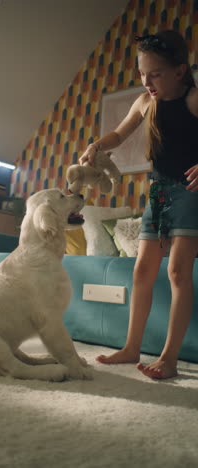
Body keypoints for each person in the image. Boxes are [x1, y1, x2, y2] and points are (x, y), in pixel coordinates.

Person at [79, 30, 198, 379]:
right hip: (158, 192)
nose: (146, 81)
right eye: (142, 73)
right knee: (142, 270)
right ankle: (132, 348)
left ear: (179, 71)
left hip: (190, 194)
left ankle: (169, 357)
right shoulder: (146, 102)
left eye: (155, 74)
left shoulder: (193, 99)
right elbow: (119, 134)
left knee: (178, 272)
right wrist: (96, 146)